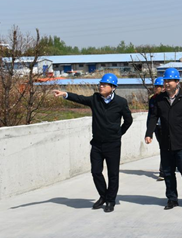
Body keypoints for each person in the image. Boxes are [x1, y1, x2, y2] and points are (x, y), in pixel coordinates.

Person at [53, 73, 133, 213]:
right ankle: (103, 196)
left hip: (113, 144)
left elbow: (128, 120)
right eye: (100, 84)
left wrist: (119, 133)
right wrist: (65, 94)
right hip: (97, 144)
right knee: (95, 171)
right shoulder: (95, 99)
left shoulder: (120, 102)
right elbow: (80, 98)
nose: (101, 86)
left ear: (113, 87)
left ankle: (110, 200)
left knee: (113, 174)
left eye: (104, 85)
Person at [145, 68, 182, 210]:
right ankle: (172, 199)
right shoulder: (159, 99)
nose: (166, 83)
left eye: (169, 81)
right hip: (165, 141)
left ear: (177, 82)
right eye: (165, 81)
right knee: (168, 172)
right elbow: (153, 116)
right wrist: (149, 133)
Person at [148, 77, 165, 181]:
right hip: (157, 127)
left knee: (165, 149)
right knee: (163, 148)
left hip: (167, 127)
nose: (156, 88)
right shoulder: (152, 99)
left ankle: (163, 171)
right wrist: (149, 132)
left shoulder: (166, 99)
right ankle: (164, 170)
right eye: (156, 86)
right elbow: (151, 116)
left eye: (158, 86)